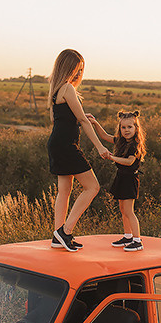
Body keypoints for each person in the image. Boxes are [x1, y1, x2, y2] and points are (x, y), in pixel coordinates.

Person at [47, 49, 109, 252]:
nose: (79, 73)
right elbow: (81, 120)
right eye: (76, 69)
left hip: (58, 143)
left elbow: (59, 119)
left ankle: (58, 237)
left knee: (64, 191)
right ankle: (65, 231)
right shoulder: (67, 88)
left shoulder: (56, 90)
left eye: (81, 69)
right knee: (92, 187)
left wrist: (78, 116)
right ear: (67, 68)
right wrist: (100, 146)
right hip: (66, 145)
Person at [87, 110, 147, 251]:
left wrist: (111, 157)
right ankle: (128, 236)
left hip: (130, 179)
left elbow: (129, 162)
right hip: (121, 178)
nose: (126, 130)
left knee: (129, 211)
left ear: (136, 128)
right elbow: (104, 136)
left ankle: (137, 241)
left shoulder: (134, 145)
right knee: (123, 209)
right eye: (123, 127)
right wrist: (95, 123)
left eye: (129, 127)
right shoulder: (121, 141)